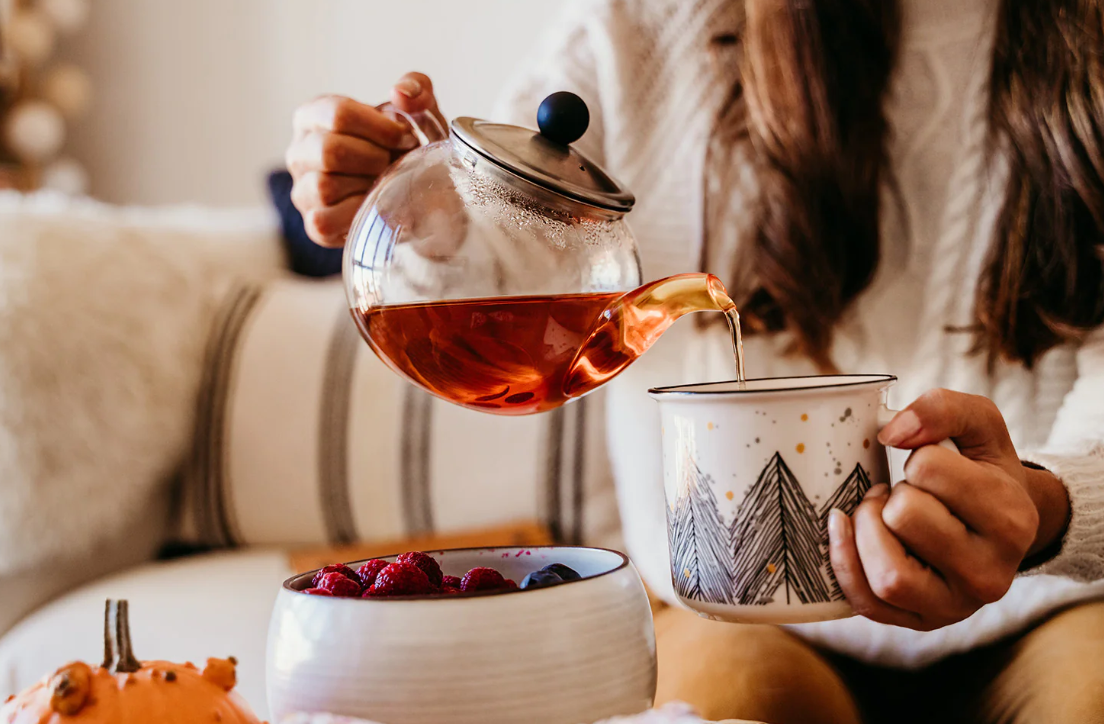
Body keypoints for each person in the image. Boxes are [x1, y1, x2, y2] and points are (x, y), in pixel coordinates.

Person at [283, 1, 1104, 722]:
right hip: (727, 616)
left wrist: (1049, 503)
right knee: (730, 701)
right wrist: (410, 209)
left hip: (1055, 597)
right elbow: (500, 243)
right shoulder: (642, 25)